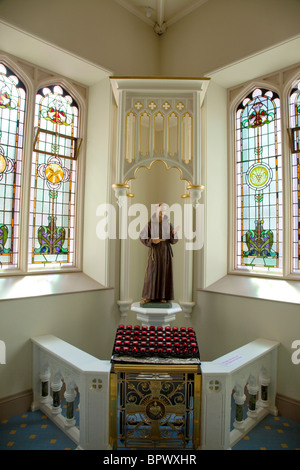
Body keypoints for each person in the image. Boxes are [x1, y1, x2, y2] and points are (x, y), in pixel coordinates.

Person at [139, 203, 179, 305]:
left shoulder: (168, 224)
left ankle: (163, 296)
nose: (162, 213)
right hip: (155, 253)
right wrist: (152, 240)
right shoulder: (150, 224)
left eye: (164, 211)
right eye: (160, 210)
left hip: (165, 252)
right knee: (151, 273)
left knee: (164, 273)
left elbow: (173, 240)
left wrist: (173, 233)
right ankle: (149, 296)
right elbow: (142, 236)